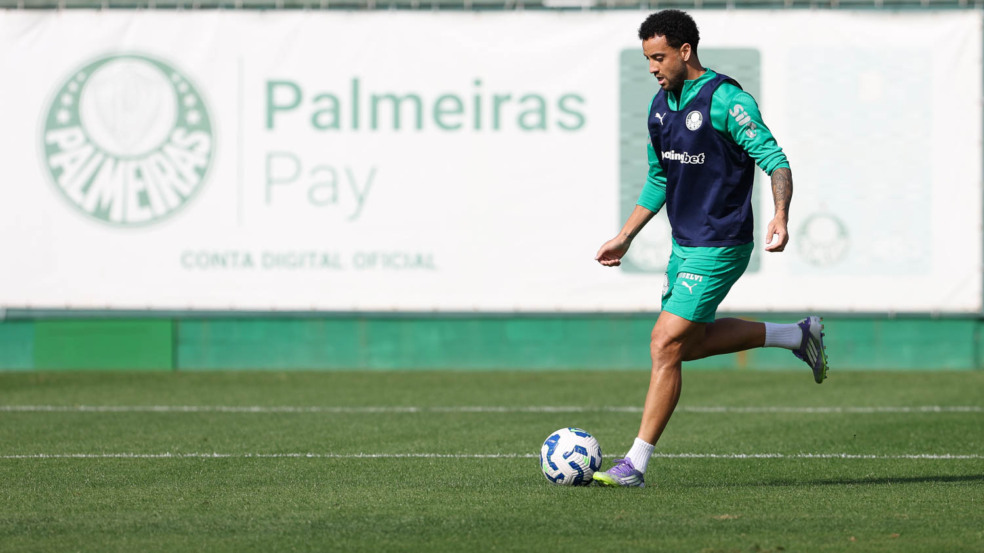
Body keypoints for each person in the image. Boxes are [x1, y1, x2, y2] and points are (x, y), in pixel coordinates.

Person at [591, 9, 828, 489]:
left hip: (720, 245)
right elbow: (660, 176)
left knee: (663, 343)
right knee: (686, 346)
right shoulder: (660, 108)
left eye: (659, 57)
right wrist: (626, 234)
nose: (653, 67)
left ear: (685, 51)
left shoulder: (726, 100)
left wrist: (781, 216)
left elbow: (775, 161)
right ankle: (796, 335)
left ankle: (634, 464)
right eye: (647, 59)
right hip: (683, 246)